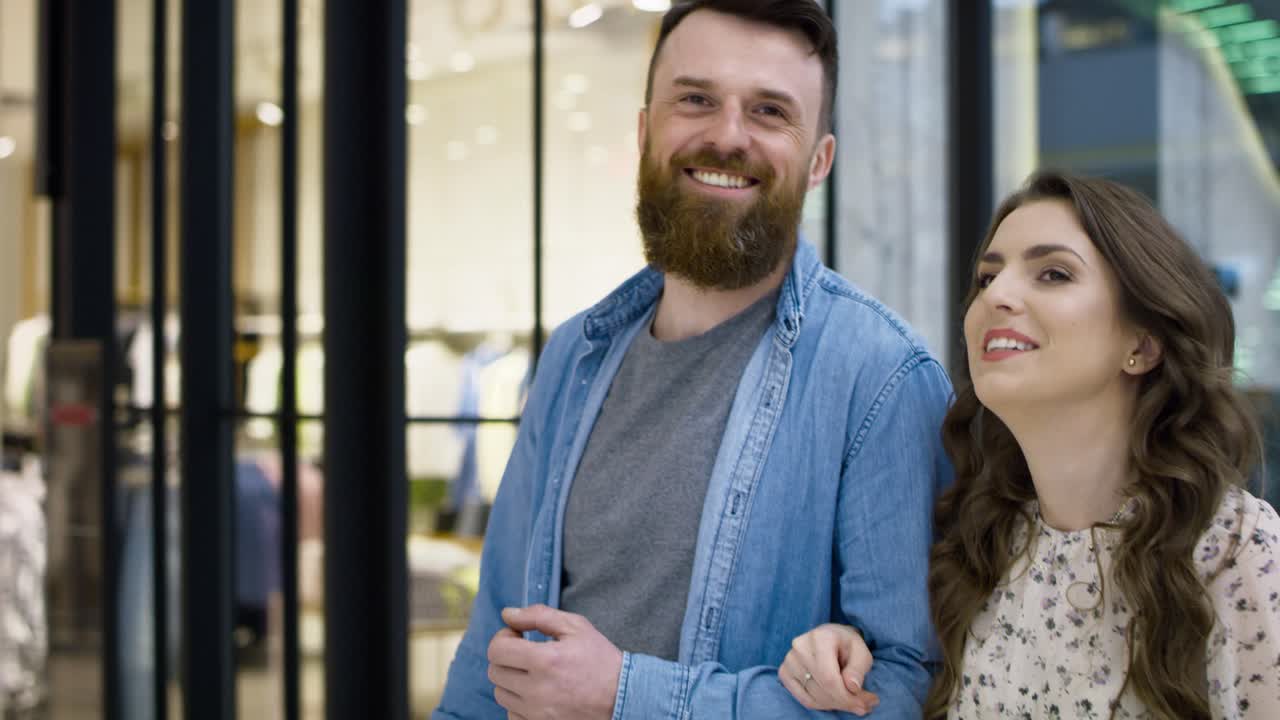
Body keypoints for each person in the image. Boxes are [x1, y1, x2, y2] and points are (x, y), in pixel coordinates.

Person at [432, 1, 953, 717]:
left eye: (770, 111)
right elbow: (495, 642)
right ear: (646, 131)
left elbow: (904, 692)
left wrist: (625, 694)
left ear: (819, 161)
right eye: (697, 99)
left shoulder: (882, 379)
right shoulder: (572, 358)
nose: (728, 135)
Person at [781, 170, 1280, 719]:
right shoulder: (979, 548)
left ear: (1142, 343)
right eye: (987, 276)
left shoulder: (1234, 551)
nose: (998, 295)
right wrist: (847, 653)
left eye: (1053, 273)